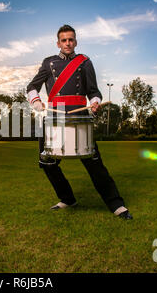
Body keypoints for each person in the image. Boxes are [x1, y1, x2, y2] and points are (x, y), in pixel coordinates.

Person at [26, 24, 133, 220]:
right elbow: (32, 86)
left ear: (76, 41)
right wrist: (36, 100)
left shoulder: (85, 62)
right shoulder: (48, 63)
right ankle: (67, 198)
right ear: (58, 43)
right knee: (46, 162)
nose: (68, 43)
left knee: (94, 162)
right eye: (64, 40)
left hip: (79, 117)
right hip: (54, 117)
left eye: (71, 39)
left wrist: (94, 103)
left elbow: (94, 91)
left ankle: (116, 205)